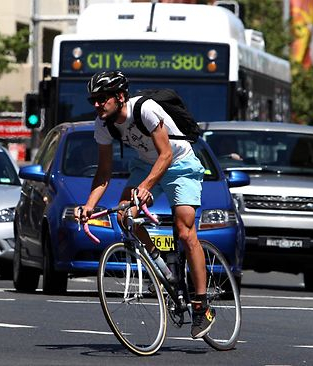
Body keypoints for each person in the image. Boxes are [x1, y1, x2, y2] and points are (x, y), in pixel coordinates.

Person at [75, 70, 214, 339]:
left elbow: (166, 154)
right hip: (146, 165)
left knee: (185, 231)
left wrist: (146, 187)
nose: (96, 104)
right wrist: (89, 206)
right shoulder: (103, 125)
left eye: (102, 99)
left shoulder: (146, 109)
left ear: (119, 96)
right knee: (124, 216)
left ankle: (201, 305)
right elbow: (103, 174)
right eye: (93, 99)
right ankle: (162, 266)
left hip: (179, 164)